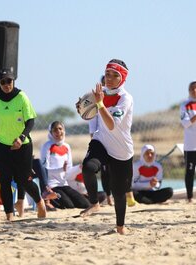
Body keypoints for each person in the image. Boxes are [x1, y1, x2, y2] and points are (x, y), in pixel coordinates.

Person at [76, 59, 134, 235]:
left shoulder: (125, 98)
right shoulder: (99, 94)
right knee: (88, 167)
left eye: (115, 75)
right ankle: (95, 204)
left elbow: (111, 124)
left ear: (122, 78)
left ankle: (120, 227)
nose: (109, 78)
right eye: (107, 73)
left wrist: (100, 104)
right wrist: (82, 108)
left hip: (121, 150)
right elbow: (89, 114)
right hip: (101, 141)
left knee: (118, 193)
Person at [0, 69, 46, 221]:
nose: (6, 85)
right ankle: (9, 216)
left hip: (23, 145)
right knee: (4, 181)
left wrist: (21, 137)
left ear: (13, 81)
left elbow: (30, 121)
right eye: (3, 82)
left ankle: (39, 202)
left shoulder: (21, 97)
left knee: (23, 180)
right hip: (2, 146)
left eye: (9, 81)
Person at [40, 121, 90, 209]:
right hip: (52, 185)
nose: (58, 131)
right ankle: (47, 199)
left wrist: (80, 167)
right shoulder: (46, 146)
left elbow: (69, 169)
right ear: (51, 133)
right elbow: (44, 169)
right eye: (55, 130)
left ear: (64, 130)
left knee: (85, 204)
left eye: (60, 129)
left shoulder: (67, 146)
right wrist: (61, 169)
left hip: (64, 184)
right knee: (68, 205)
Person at [88, 75, 113, 206]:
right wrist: (93, 140)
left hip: (115, 140)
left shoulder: (118, 99)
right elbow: (92, 122)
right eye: (103, 83)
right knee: (105, 170)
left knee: (114, 169)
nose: (106, 86)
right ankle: (108, 196)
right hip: (101, 140)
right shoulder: (95, 102)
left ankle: (121, 194)